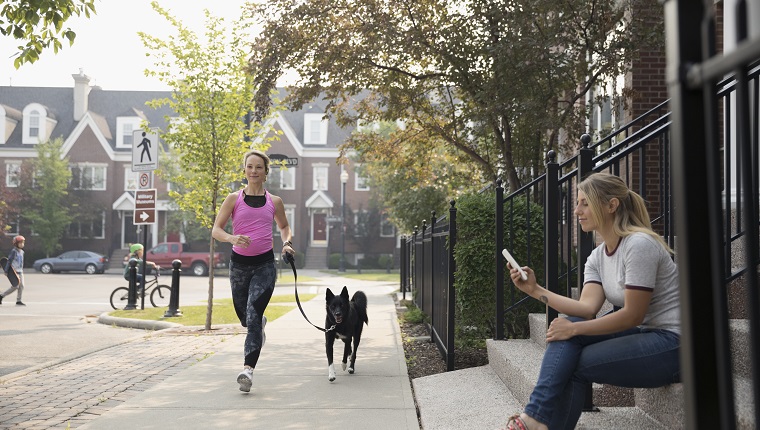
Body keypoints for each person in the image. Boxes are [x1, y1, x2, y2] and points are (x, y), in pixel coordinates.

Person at [505, 172, 681, 430]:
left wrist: (574, 328)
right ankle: (536, 419)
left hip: (674, 343)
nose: (577, 210)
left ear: (611, 205)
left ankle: (535, 419)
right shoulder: (597, 256)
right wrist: (534, 290)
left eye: (585, 203)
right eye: (577, 203)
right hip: (644, 333)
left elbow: (632, 314)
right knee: (570, 327)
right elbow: (587, 309)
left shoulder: (639, 245)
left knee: (573, 355)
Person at [212, 149, 294, 393]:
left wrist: (287, 242)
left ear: (265, 172)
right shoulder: (233, 199)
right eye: (250, 166)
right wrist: (231, 238)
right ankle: (258, 325)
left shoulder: (274, 202)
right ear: (244, 170)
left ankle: (247, 370)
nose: (254, 171)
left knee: (253, 314)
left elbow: (284, 226)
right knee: (245, 318)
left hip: (265, 265)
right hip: (239, 265)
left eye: (259, 167)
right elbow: (216, 230)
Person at [1, 235, 27, 306]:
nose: (22, 244)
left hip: (20, 271)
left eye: (23, 243)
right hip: (14, 271)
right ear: (16, 243)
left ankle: (19, 300)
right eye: (20, 243)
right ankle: (2, 295)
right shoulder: (14, 251)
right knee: (15, 286)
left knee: (22, 286)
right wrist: (6, 270)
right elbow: (9, 261)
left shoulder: (22, 252)